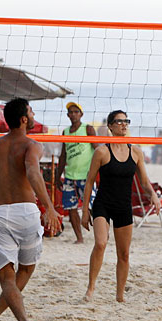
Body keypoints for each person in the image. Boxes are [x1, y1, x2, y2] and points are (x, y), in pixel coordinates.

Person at [0, 98, 62, 321]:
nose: (34, 113)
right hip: (26, 212)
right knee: (26, 270)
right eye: (31, 110)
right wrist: (49, 207)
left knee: (7, 278)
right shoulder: (32, 145)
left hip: (0, 212)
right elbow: (33, 172)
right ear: (24, 119)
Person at [81, 110, 160, 303]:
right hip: (103, 203)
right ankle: (91, 288)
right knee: (100, 243)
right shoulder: (102, 151)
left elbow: (144, 181)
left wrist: (154, 195)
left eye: (126, 121)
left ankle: (120, 295)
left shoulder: (136, 151)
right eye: (119, 121)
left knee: (123, 254)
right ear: (110, 126)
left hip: (124, 206)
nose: (124, 125)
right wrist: (85, 211)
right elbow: (90, 181)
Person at [55, 102, 97, 244]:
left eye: (76, 112)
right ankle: (79, 237)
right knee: (71, 208)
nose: (73, 114)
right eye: (70, 112)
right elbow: (63, 155)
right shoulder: (66, 132)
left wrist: (101, 171)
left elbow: (97, 150)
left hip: (87, 176)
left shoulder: (88, 129)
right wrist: (57, 176)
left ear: (81, 114)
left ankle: (100, 234)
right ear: (67, 115)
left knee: (92, 207)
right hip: (70, 177)